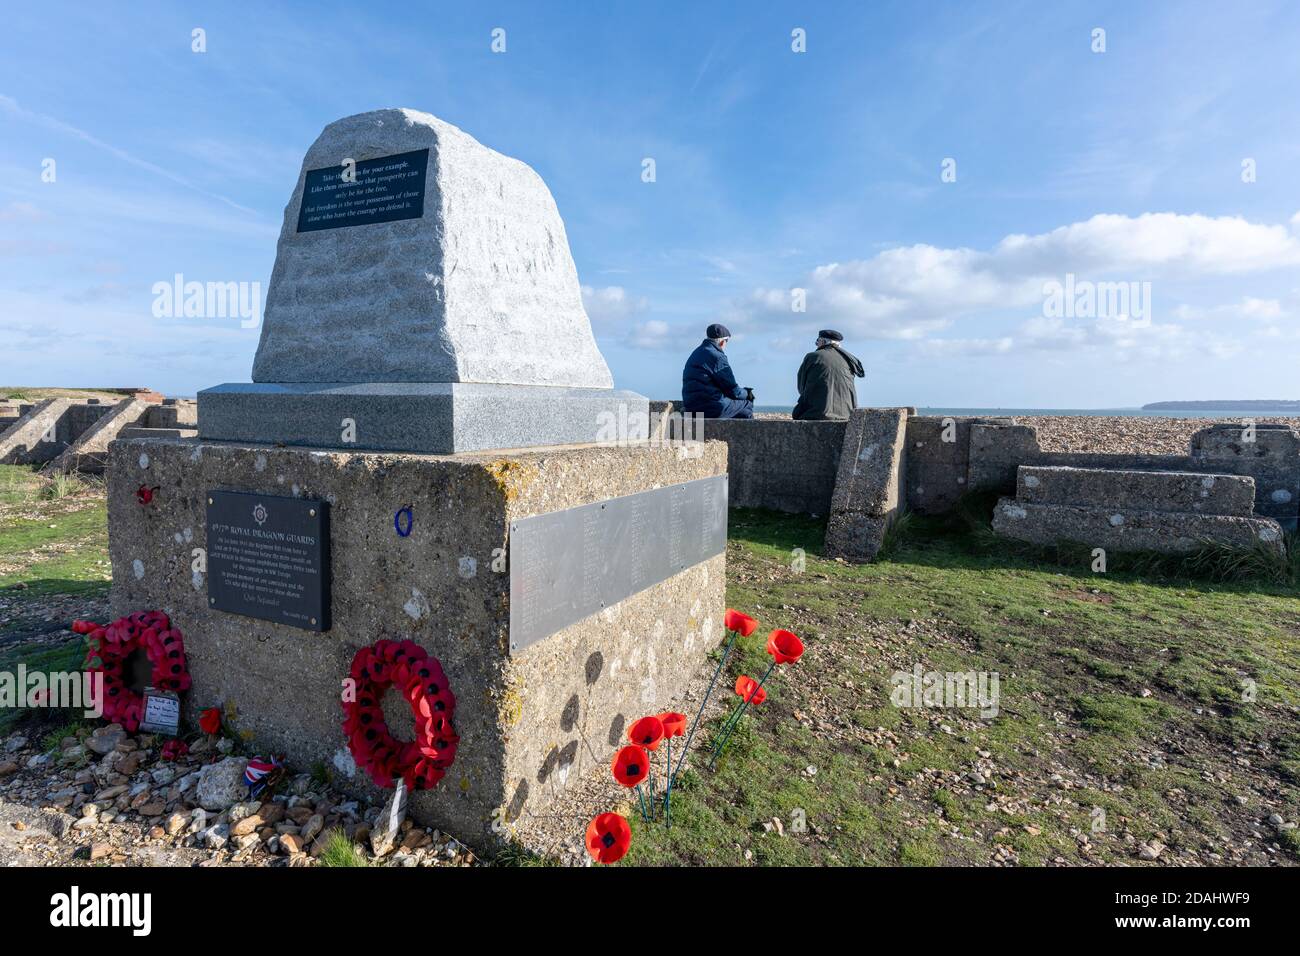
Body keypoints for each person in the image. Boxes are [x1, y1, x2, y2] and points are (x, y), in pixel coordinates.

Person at [681, 323, 754, 419]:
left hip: (691, 407)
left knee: (737, 409)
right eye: (727, 341)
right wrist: (747, 393)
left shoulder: (696, 352)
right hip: (710, 407)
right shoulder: (717, 357)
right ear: (722, 342)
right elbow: (733, 392)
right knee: (747, 405)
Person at [791, 329, 864, 421]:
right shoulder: (849, 360)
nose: (816, 345)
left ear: (822, 341)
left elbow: (801, 387)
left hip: (817, 413)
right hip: (847, 414)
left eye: (817, 342)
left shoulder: (813, 357)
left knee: (798, 412)